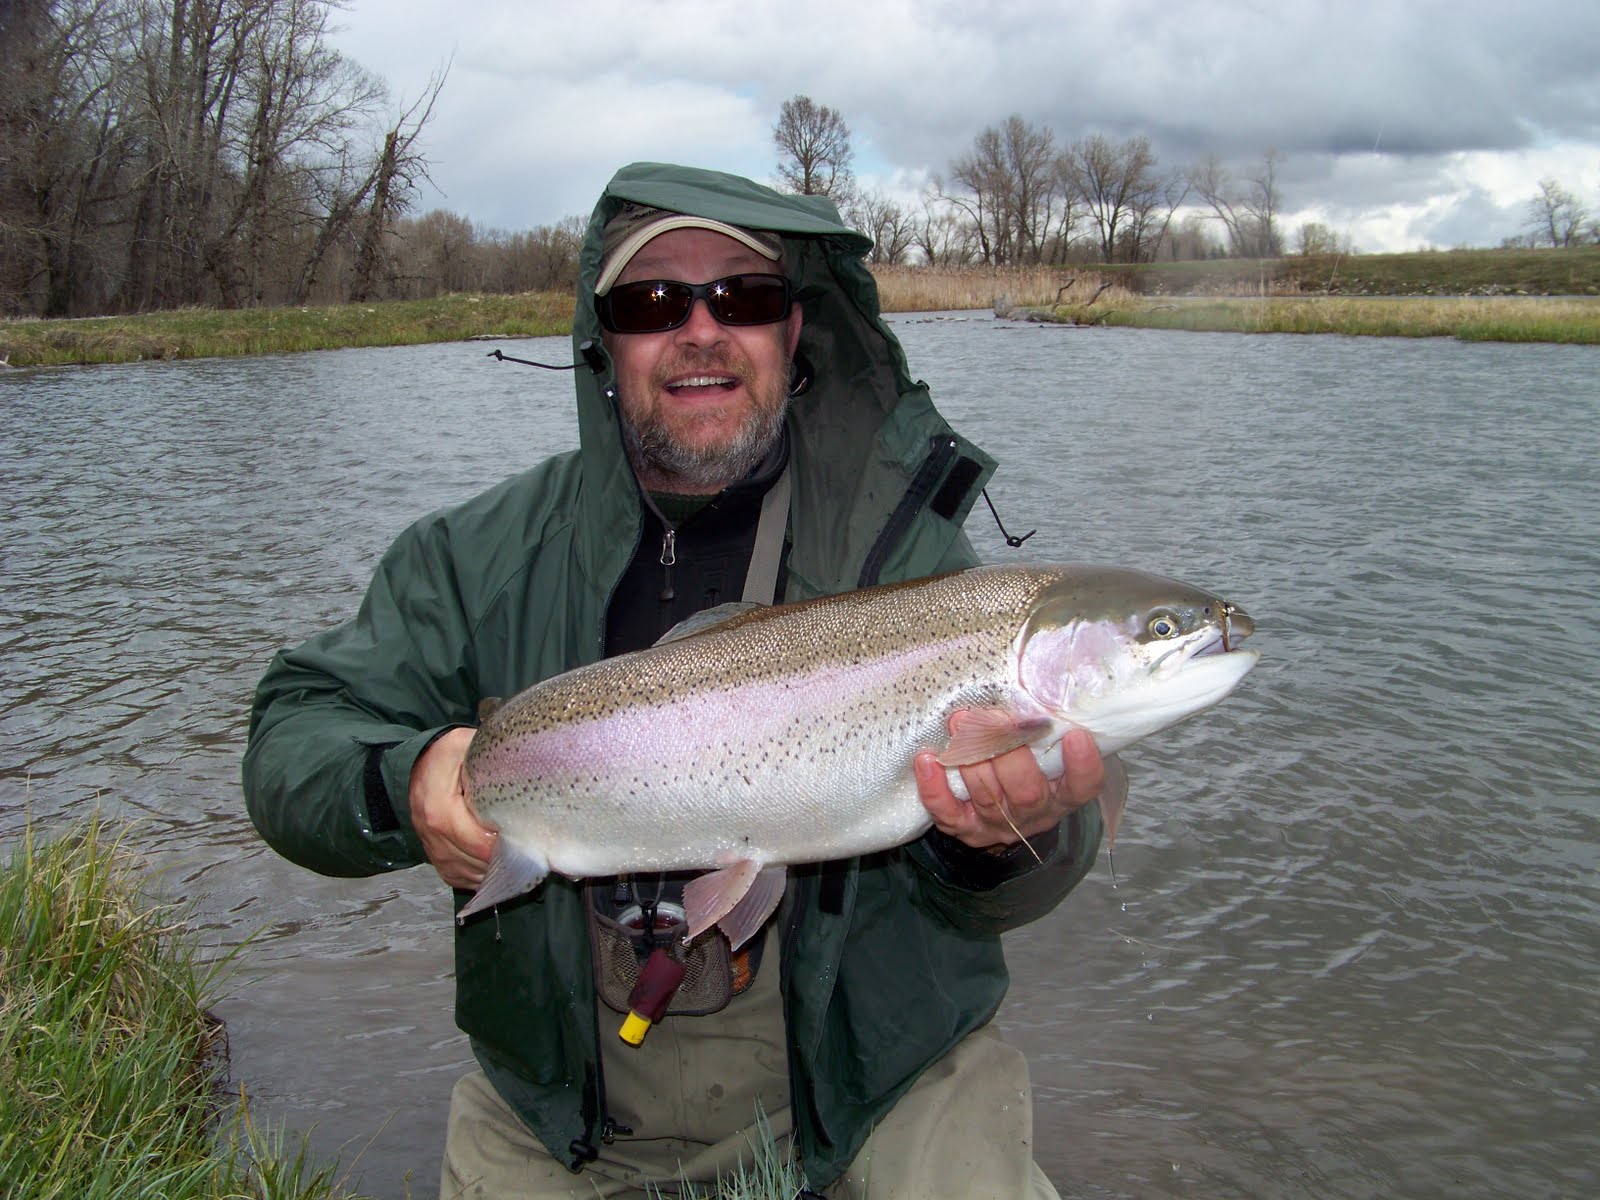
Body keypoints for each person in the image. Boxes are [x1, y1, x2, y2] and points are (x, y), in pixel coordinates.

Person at [244, 162, 1107, 1199]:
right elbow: (293, 735)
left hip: (878, 1086)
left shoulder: (910, 562)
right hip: (561, 1112)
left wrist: (1002, 840)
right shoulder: (472, 561)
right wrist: (407, 781)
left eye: (743, 296)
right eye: (653, 303)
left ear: (793, 330)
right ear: (603, 342)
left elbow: (1028, 880)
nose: (702, 331)